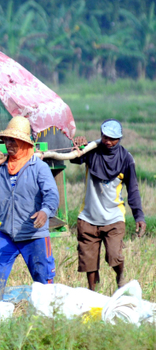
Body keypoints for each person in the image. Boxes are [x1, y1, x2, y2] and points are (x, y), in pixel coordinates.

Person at [0, 116, 59, 299]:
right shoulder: (1, 167)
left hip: (34, 235)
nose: (8, 144)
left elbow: (52, 195)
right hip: (8, 233)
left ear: (24, 143)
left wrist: (45, 212)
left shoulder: (39, 168)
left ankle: (46, 314)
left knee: (43, 277)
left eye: (13, 140)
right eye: (6, 140)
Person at [71, 119, 146, 291]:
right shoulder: (91, 151)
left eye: (113, 139)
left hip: (113, 218)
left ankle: (120, 278)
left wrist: (139, 216)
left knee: (114, 256)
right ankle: (92, 293)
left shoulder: (126, 159)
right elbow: (73, 158)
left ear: (119, 139)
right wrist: (78, 144)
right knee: (89, 261)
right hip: (88, 217)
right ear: (101, 135)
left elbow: (132, 189)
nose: (108, 142)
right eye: (105, 137)